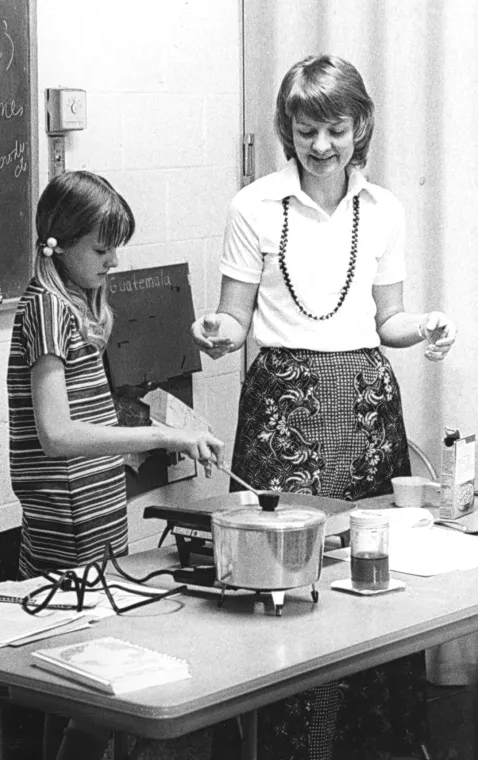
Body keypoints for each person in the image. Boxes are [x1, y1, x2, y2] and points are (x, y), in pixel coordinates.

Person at [191, 54, 456, 760]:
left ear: (359, 125)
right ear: (288, 129)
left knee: (369, 578)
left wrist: (426, 325)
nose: (321, 146)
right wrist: (218, 336)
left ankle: (369, 745)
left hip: (367, 412)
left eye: (335, 129)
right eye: (307, 129)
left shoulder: (386, 209)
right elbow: (233, 319)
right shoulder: (253, 206)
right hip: (283, 413)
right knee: (278, 582)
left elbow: (388, 320)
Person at [6, 170, 224, 760]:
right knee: (91, 685)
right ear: (58, 241)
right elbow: (56, 435)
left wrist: (173, 431)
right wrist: (158, 434)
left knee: (86, 686)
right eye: (101, 249)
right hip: (67, 519)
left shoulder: (75, 305)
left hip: (95, 510)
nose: (114, 260)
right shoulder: (46, 309)